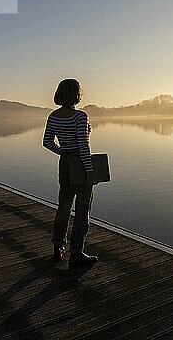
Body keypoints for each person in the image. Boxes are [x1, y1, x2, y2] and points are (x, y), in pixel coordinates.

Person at [43, 79, 99, 269]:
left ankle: (58, 247)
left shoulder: (53, 116)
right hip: (80, 164)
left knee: (64, 207)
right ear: (77, 95)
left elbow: (47, 142)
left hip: (65, 163)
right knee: (82, 211)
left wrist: (63, 153)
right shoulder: (80, 116)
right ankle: (76, 253)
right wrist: (90, 171)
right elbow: (83, 145)